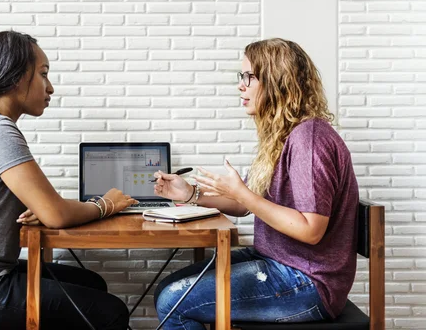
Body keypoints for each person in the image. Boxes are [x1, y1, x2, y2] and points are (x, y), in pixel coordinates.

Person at [0, 31, 137, 330]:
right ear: (17, 78)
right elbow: (56, 214)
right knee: (110, 312)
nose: (50, 87)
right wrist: (106, 204)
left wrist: (37, 207)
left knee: (92, 282)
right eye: (43, 74)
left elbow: (35, 206)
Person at [153, 38, 359, 328]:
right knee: (169, 287)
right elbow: (243, 204)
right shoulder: (281, 137)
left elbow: (310, 230)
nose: (241, 86)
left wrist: (243, 194)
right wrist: (190, 194)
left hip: (308, 282)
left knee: (172, 300)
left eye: (249, 77)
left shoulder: (309, 140)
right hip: (278, 261)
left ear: (277, 82)